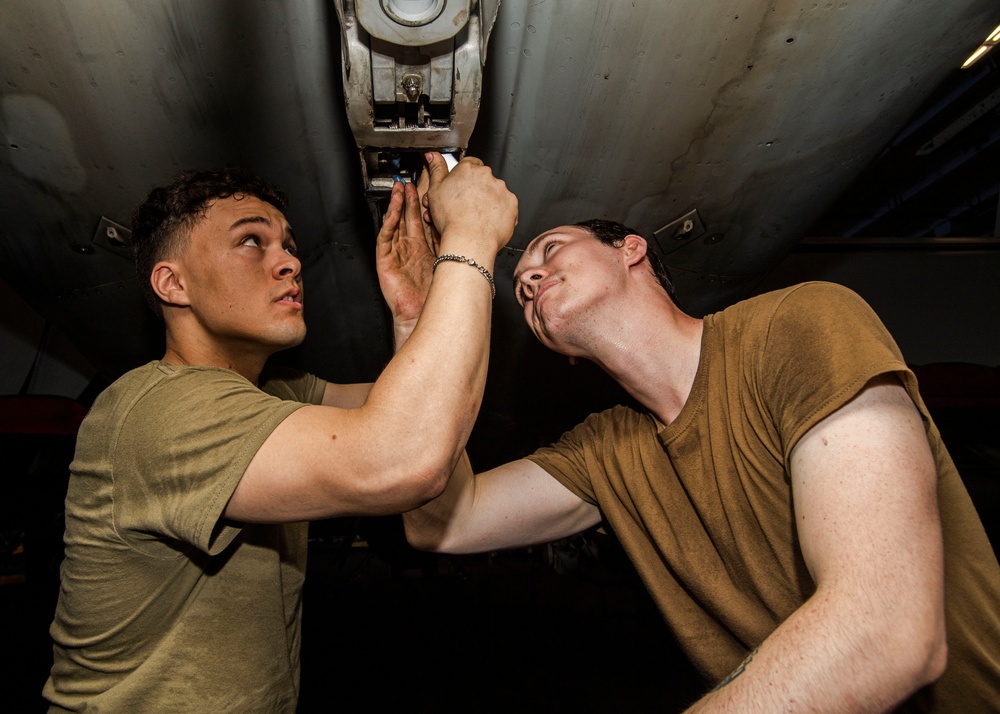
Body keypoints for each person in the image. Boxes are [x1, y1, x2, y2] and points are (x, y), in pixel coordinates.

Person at [403, 219, 1000, 712]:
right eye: (519, 287)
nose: (527, 278)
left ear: (630, 250)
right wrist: (414, 322)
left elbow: (886, 632)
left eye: (550, 250)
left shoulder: (797, 324)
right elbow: (438, 523)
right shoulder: (604, 452)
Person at [43, 153, 517, 712]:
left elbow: (428, 414)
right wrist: (469, 242)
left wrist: (414, 312)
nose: (290, 262)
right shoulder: (163, 409)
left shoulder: (273, 393)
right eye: (252, 242)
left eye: (288, 245)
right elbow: (407, 457)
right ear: (173, 283)